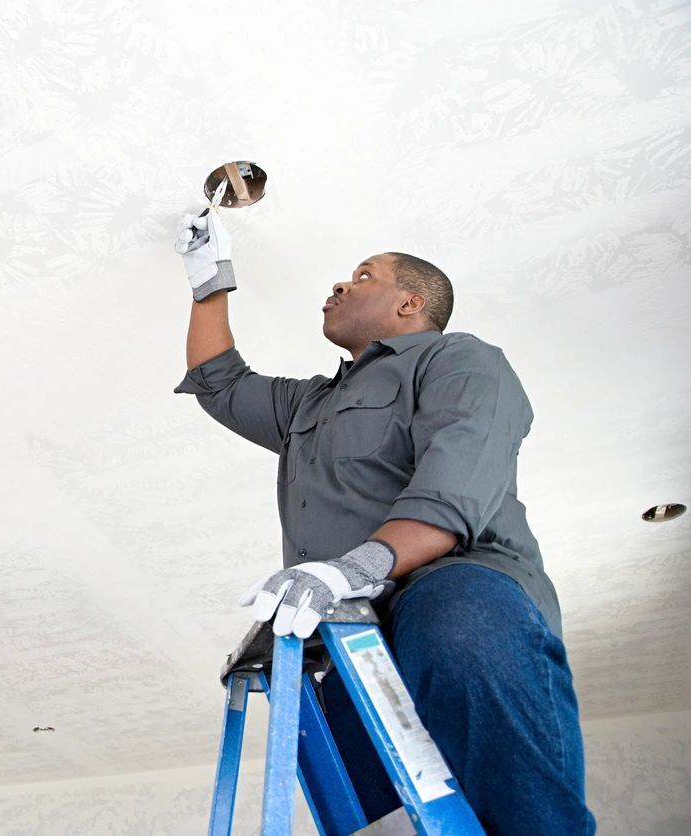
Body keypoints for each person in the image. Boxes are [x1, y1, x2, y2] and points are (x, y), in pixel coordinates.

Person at [173, 206, 596, 834]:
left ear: (411, 304)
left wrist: (351, 569)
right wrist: (208, 277)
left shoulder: (459, 360)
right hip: (356, 624)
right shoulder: (308, 403)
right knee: (357, 797)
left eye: (364, 275)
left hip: (457, 587)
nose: (340, 285)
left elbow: (454, 491)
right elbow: (221, 384)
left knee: (459, 636)